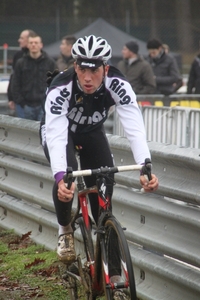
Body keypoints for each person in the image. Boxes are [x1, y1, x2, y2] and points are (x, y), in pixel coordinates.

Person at [42, 35, 159, 297]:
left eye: (94, 70)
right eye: (82, 68)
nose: (87, 76)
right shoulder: (60, 88)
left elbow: (134, 125)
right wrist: (62, 176)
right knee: (67, 180)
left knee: (104, 202)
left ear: (105, 69)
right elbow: (57, 134)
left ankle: (114, 272)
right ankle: (65, 231)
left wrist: (145, 166)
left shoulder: (117, 84)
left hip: (92, 132)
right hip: (61, 133)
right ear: (75, 66)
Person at [12, 34, 56, 121]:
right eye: (31, 42)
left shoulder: (50, 62)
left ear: (41, 45)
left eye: (36, 42)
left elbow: (55, 82)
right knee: (24, 133)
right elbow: (15, 83)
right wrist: (21, 102)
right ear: (27, 45)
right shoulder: (20, 63)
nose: (33, 45)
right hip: (25, 106)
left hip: (44, 105)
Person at [7, 29, 36, 118]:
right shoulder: (18, 56)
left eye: (22, 38)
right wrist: (11, 97)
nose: (19, 40)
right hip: (21, 102)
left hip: (37, 102)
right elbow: (14, 78)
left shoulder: (41, 57)